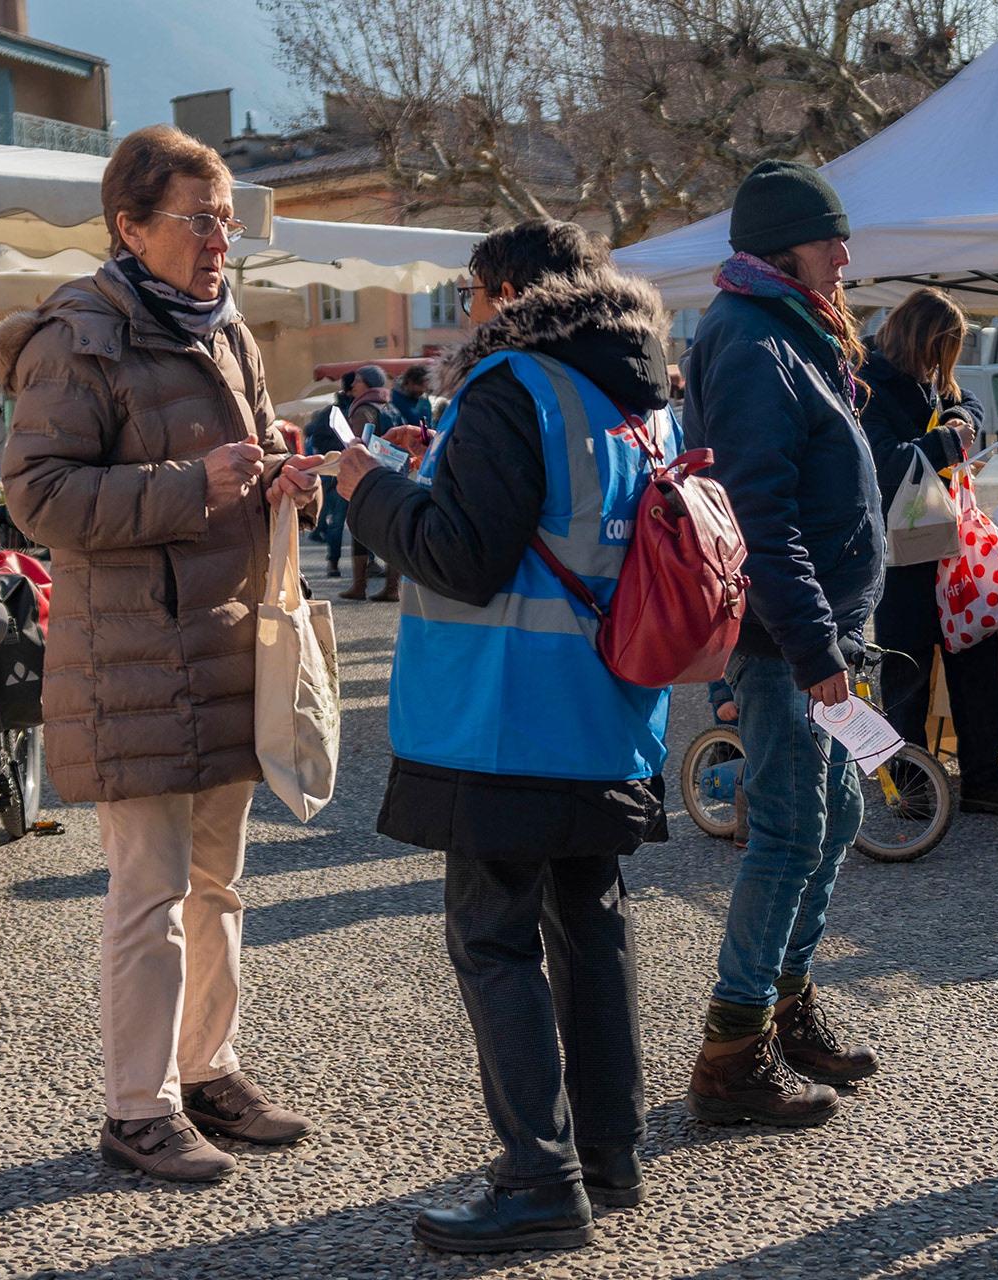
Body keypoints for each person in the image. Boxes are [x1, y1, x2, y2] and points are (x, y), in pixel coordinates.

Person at [0, 124, 324, 1184]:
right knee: (151, 892)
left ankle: (209, 1069)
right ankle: (137, 1107)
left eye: (227, 217)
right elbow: (35, 497)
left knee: (219, 883)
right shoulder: (76, 336)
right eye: (199, 218)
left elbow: (244, 451)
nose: (221, 238)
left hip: (225, 640)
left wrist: (279, 477)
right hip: (136, 658)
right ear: (129, 227)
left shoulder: (224, 329)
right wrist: (198, 485)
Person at [338, 220, 671, 1253]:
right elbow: (548, 519)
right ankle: (609, 1152)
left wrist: (369, 489)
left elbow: (461, 554)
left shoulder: (509, 383)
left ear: (508, 291)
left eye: (472, 292)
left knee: (494, 937)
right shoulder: (632, 393)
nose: (469, 311)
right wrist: (435, 468)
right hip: (607, 711)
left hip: (503, 713)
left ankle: (537, 1175)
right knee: (591, 921)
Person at [681, 159, 883, 1129]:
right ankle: (732, 1049)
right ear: (781, 249)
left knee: (836, 816)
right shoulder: (755, 337)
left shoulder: (782, 328)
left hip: (815, 633)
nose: (846, 254)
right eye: (830, 239)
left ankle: (786, 1010)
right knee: (793, 830)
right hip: (786, 642)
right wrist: (819, 651)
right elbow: (762, 516)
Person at [863, 287, 998, 817]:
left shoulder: (930, 380)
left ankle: (983, 779)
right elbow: (881, 464)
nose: (946, 365)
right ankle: (911, 786)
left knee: (977, 665)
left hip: (948, 551)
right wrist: (944, 443)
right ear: (925, 341)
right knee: (906, 675)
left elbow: (969, 402)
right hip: (901, 555)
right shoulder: (868, 385)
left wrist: (961, 418)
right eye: (945, 352)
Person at [342, 365, 402, 602]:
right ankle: (392, 587)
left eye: (357, 380)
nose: (353, 385)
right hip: (394, 473)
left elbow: (359, 442)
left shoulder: (363, 409)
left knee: (358, 526)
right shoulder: (389, 406)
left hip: (368, 475)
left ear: (367, 383)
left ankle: (360, 587)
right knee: (393, 529)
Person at [303, 378, 353, 577]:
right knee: (338, 519)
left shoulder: (360, 408)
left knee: (358, 519)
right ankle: (333, 562)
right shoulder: (332, 412)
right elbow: (316, 435)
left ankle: (368, 563)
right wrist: (338, 452)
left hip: (358, 470)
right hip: (337, 470)